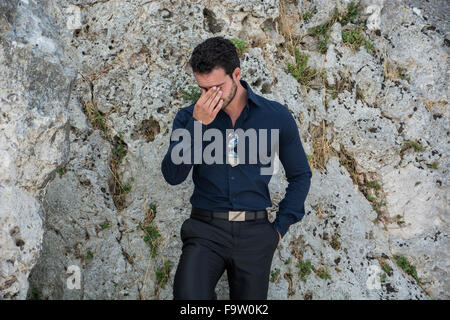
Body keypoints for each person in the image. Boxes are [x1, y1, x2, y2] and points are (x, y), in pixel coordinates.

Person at [161, 36, 312, 300]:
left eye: (217, 87)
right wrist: (198, 126)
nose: (209, 96)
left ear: (237, 74)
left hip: (256, 235)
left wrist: (278, 229)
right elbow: (173, 176)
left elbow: (301, 175)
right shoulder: (189, 117)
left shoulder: (275, 116)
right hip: (205, 230)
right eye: (203, 88)